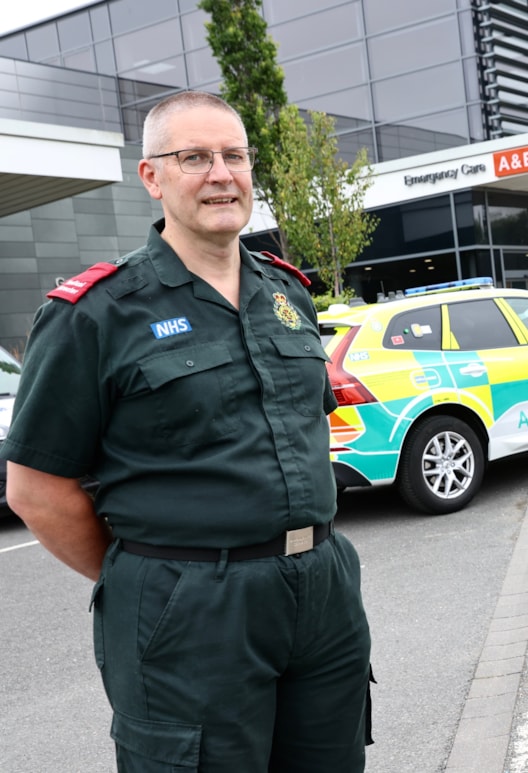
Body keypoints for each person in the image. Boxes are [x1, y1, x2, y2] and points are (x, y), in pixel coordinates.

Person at [0, 91, 373, 771]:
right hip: (193, 608)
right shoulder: (97, 314)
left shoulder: (286, 294)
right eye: (193, 157)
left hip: (321, 591)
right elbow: (34, 488)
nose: (220, 174)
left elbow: (307, 426)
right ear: (152, 177)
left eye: (234, 156)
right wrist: (157, 576)